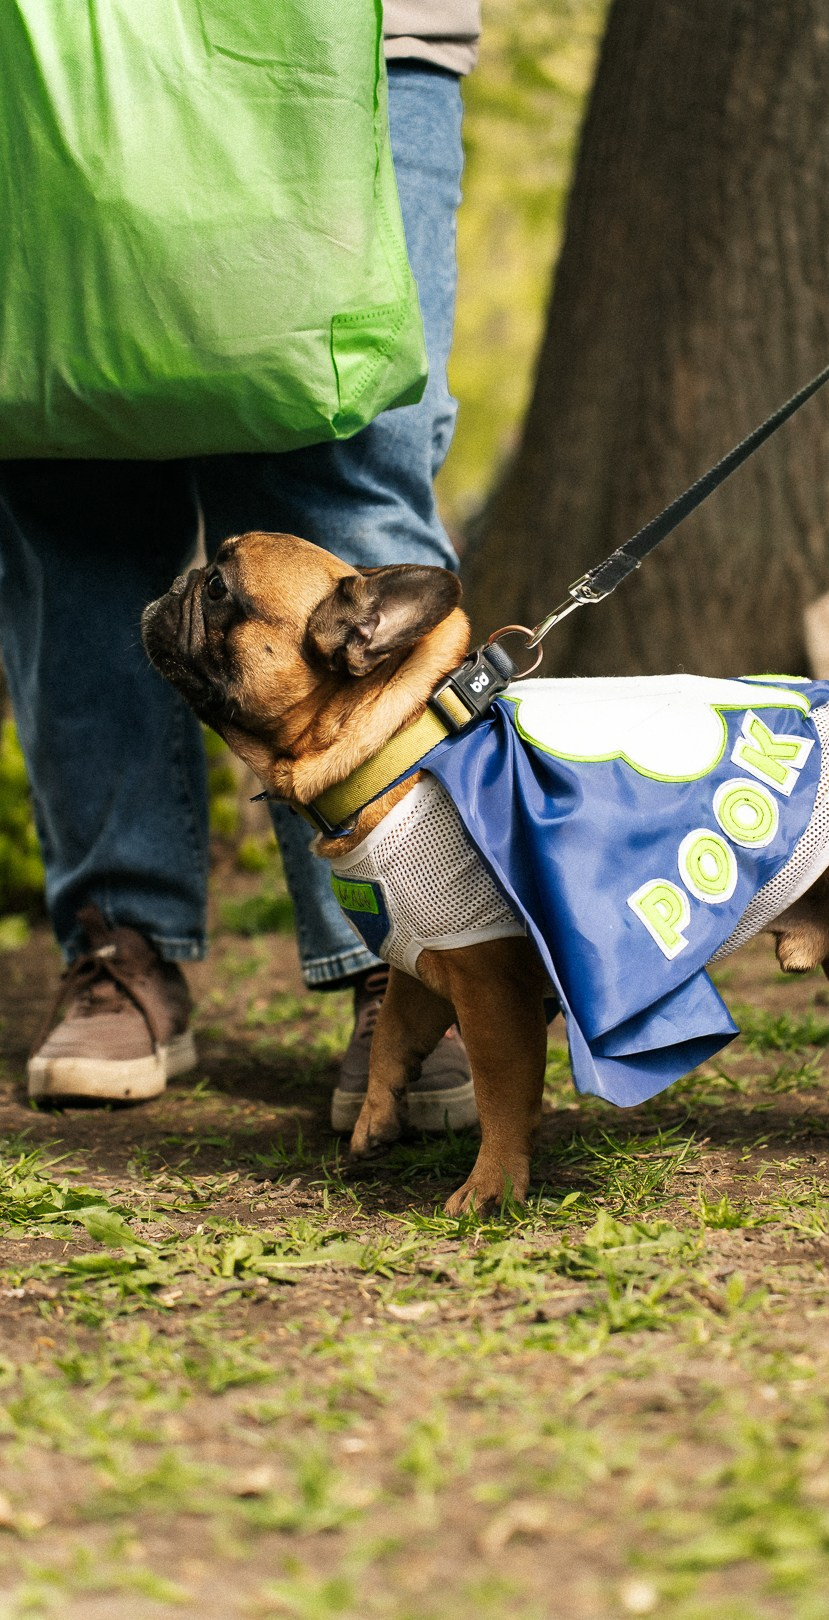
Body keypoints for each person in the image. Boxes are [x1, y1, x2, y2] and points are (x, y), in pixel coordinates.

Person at [0, 2, 481, 1134]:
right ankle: (121, 942)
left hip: (344, 39)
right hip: (60, 58)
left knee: (346, 461)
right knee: (68, 487)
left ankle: (412, 952)